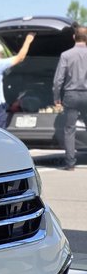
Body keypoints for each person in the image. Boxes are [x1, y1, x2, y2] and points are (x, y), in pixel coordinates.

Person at [53, 25, 87, 170]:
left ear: (74, 37)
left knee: (69, 129)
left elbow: (58, 79)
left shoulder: (66, 55)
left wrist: (56, 96)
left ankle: (70, 163)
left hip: (71, 95)